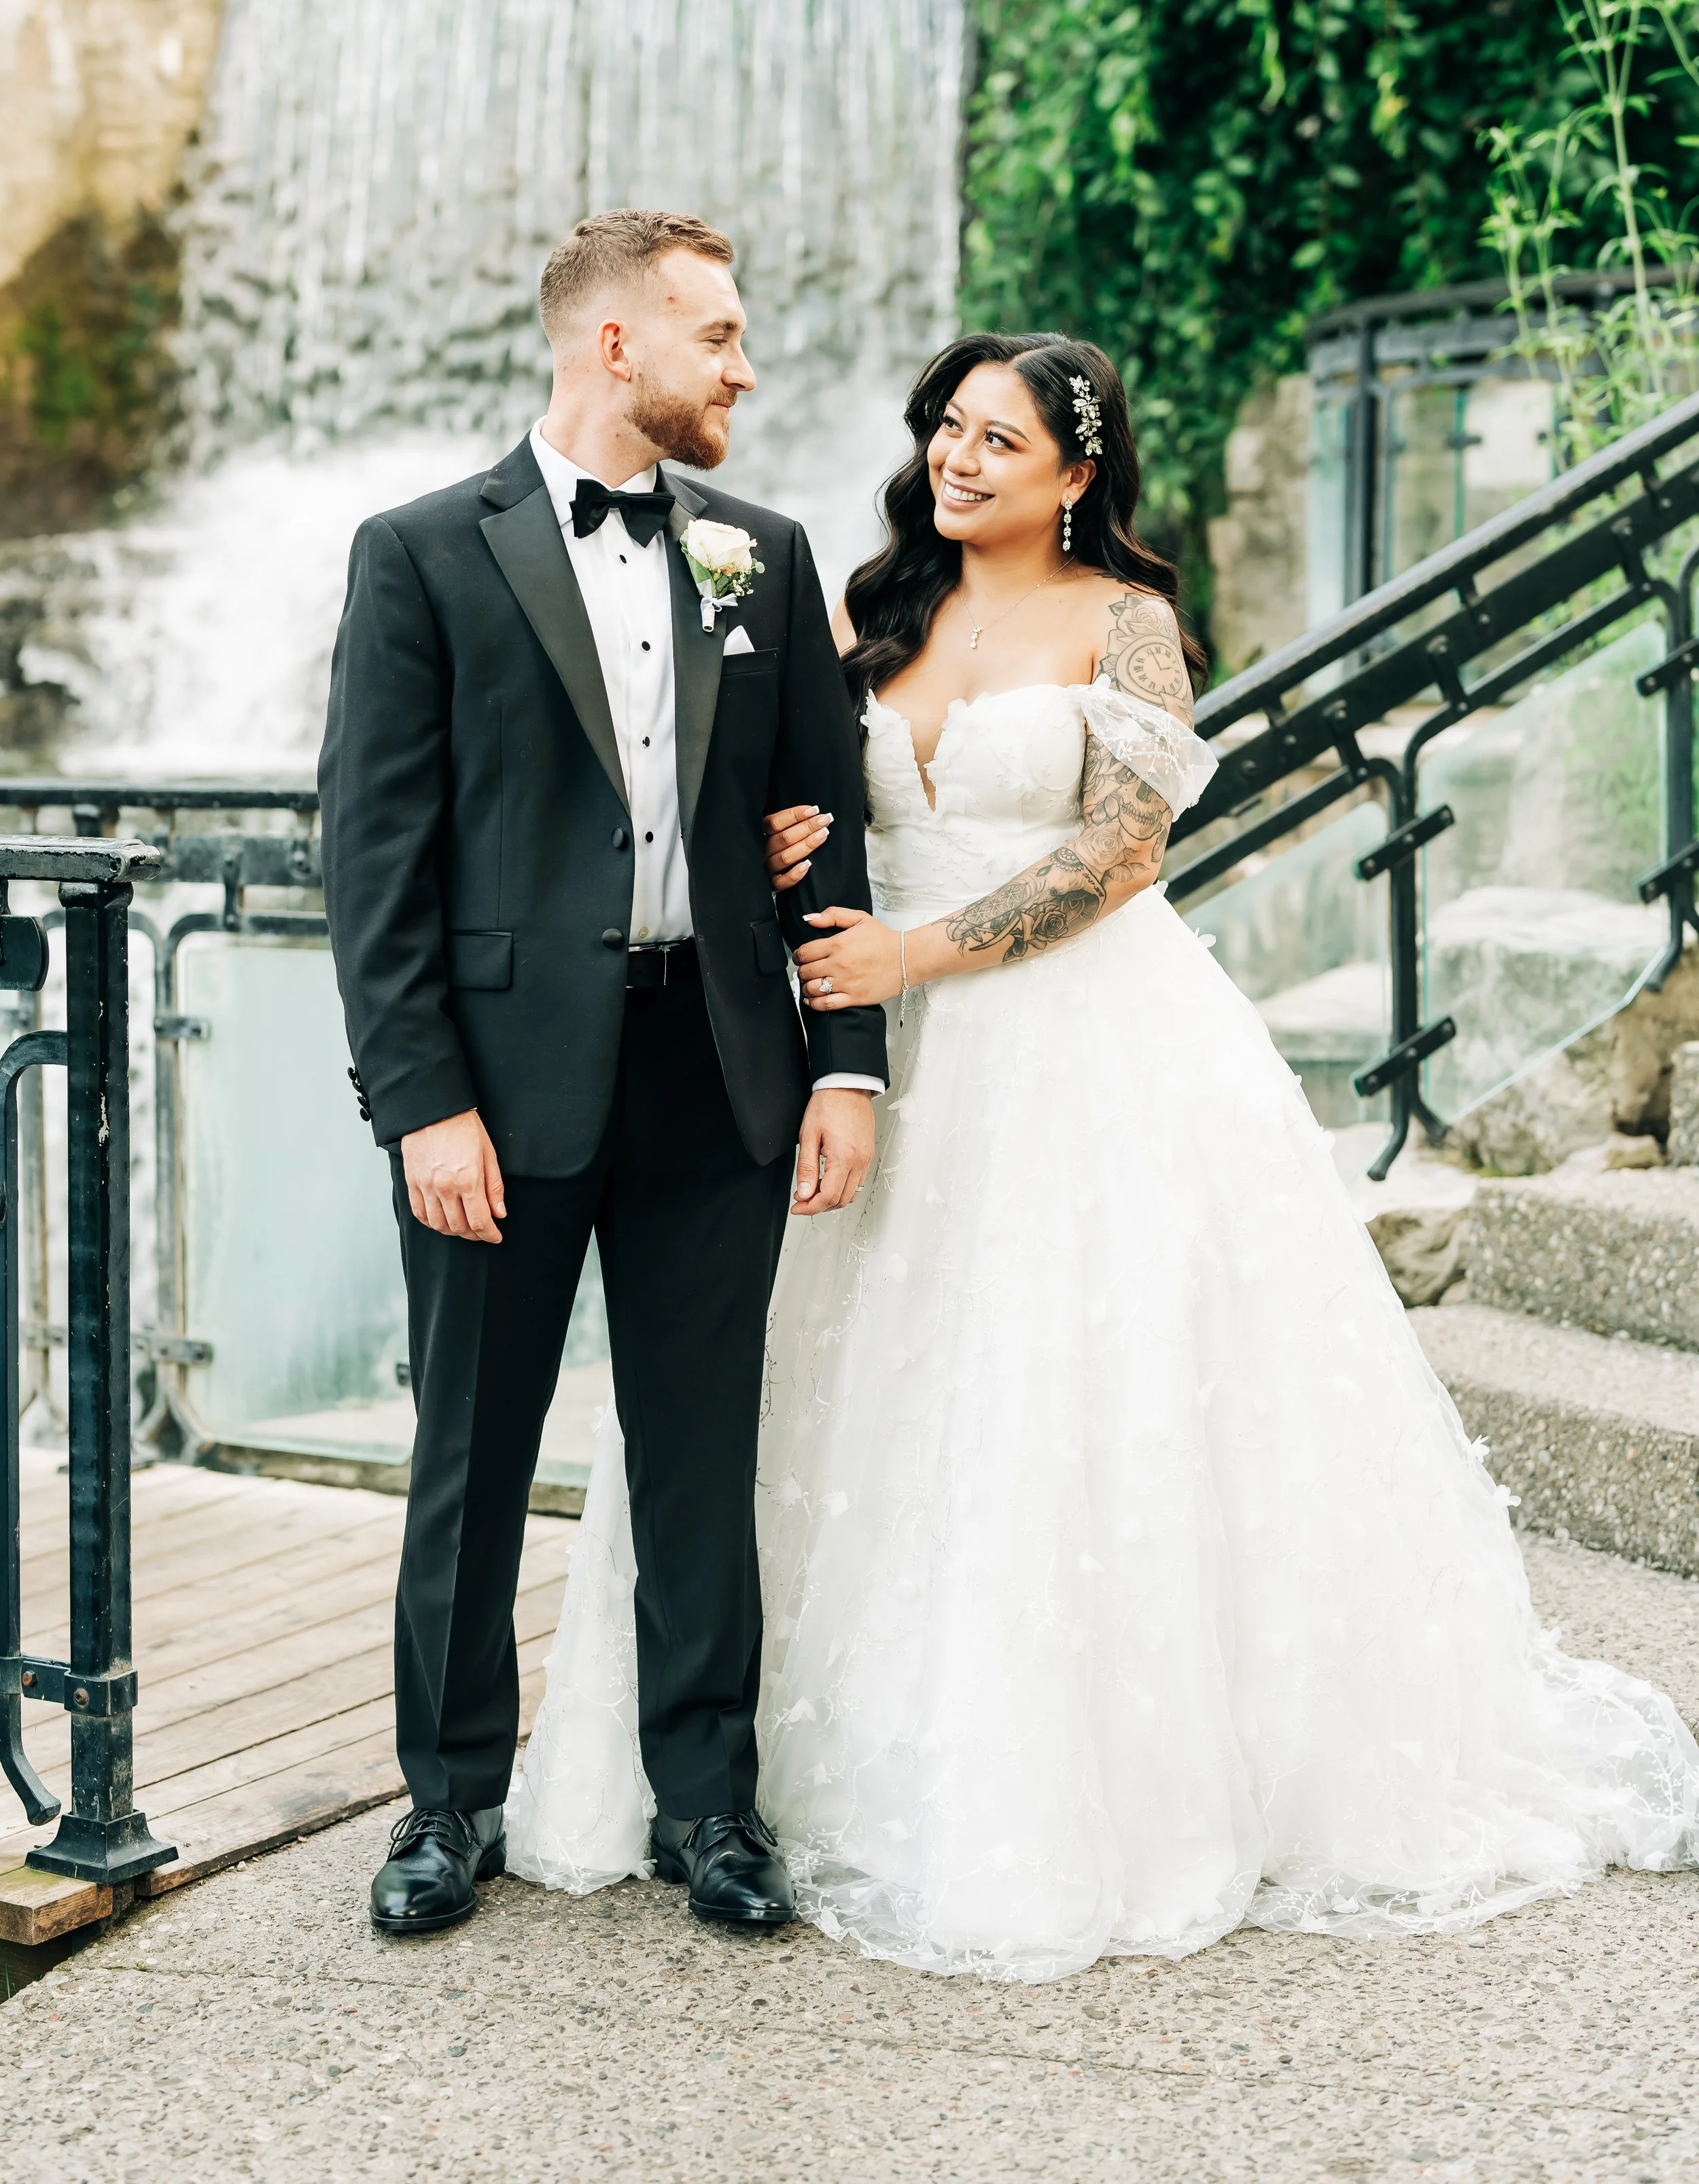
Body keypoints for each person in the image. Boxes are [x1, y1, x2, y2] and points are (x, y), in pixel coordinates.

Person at [506, 328, 1699, 1980]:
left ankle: (1071, 1790)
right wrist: (791, 840)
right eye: (945, 427)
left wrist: (912, 955)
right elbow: (788, 792)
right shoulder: (865, 609)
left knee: (1052, 1396)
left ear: (1076, 473)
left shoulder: (1125, 622)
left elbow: (1121, 856)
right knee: (837, 1390)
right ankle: (731, 1771)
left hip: (1074, 1044)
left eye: (996, 439)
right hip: (868, 1055)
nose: (955, 457)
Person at [318, 209, 886, 1938]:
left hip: (719, 1071)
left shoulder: (761, 556)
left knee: (701, 1455)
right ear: (613, 343)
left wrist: (847, 1068)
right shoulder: (420, 554)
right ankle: (446, 1803)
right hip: (496, 1090)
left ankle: (707, 1809)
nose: (745, 369)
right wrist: (421, 1103)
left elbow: (825, 833)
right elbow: (373, 860)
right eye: (717, 335)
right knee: (470, 1458)